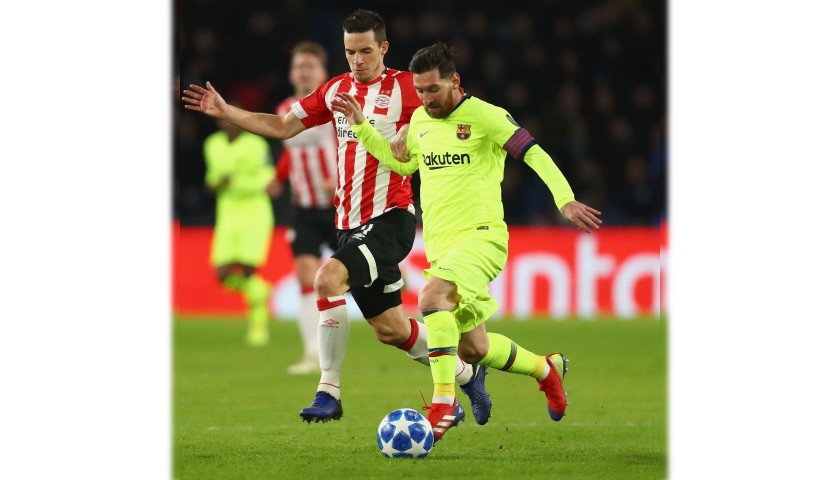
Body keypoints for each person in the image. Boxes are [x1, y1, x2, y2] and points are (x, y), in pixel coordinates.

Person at [182, 10, 491, 424]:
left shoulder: (406, 87)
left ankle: (328, 391)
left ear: (383, 47)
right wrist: (227, 112)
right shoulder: (335, 91)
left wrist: (414, 129)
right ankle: (468, 376)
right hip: (348, 223)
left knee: (326, 278)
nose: (358, 60)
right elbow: (282, 125)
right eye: (350, 52)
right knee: (393, 330)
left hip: (391, 217)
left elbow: (452, 104)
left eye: (366, 50)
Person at [332, 42, 603, 442]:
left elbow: (534, 154)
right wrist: (361, 127)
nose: (426, 99)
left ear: (454, 81)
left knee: (429, 299)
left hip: (482, 239)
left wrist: (564, 200)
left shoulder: (486, 117)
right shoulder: (421, 122)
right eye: (420, 91)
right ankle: (546, 369)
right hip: (443, 248)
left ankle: (443, 402)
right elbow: (399, 163)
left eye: (433, 90)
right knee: (473, 349)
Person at [267, 41, 339, 375]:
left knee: (371, 278)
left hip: (340, 205)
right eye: (299, 66)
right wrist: (279, 177)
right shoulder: (285, 109)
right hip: (304, 208)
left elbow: (352, 144)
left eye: (310, 65)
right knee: (305, 276)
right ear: (291, 72)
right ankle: (313, 353)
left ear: (323, 72)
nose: (304, 70)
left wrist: (339, 178)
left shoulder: (334, 106)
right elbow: (291, 153)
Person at [203, 115, 275, 346]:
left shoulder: (257, 144)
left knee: (247, 271)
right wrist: (214, 183)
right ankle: (260, 291)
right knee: (222, 274)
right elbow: (212, 177)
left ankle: (258, 327)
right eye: (225, 119)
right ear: (220, 122)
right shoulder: (212, 144)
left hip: (254, 213)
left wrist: (236, 183)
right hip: (227, 214)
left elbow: (268, 179)